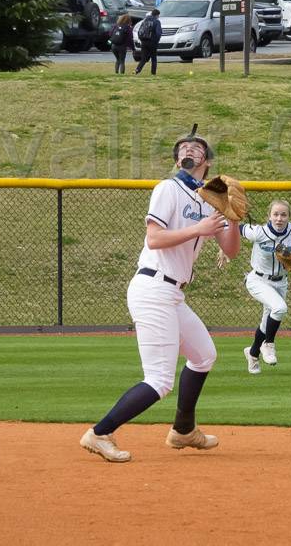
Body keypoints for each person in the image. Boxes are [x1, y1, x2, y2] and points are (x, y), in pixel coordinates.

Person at [79, 126, 241, 463]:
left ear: (207, 160)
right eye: (183, 146)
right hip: (153, 287)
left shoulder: (210, 199)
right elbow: (154, 238)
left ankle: (183, 430)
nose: (189, 148)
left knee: (204, 355)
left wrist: (232, 215)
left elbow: (232, 249)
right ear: (178, 158)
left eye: (196, 146)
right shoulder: (168, 188)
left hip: (173, 294)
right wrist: (199, 228)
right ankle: (100, 432)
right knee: (159, 379)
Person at [239, 200, 291, 374]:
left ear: (289, 216)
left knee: (267, 322)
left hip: (281, 282)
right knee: (279, 308)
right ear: (269, 216)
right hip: (258, 280)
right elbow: (235, 228)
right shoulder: (259, 232)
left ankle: (253, 353)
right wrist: (224, 250)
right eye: (275, 214)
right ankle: (268, 344)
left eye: (283, 215)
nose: (279, 218)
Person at [133, 8, 162, 75]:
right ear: (157, 15)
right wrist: (156, 41)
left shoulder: (145, 20)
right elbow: (158, 33)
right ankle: (153, 73)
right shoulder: (156, 21)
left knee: (143, 58)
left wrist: (142, 40)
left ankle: (137, 70)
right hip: (152, 42)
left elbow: (140, 31)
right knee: (153, 58)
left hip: (144, 41)